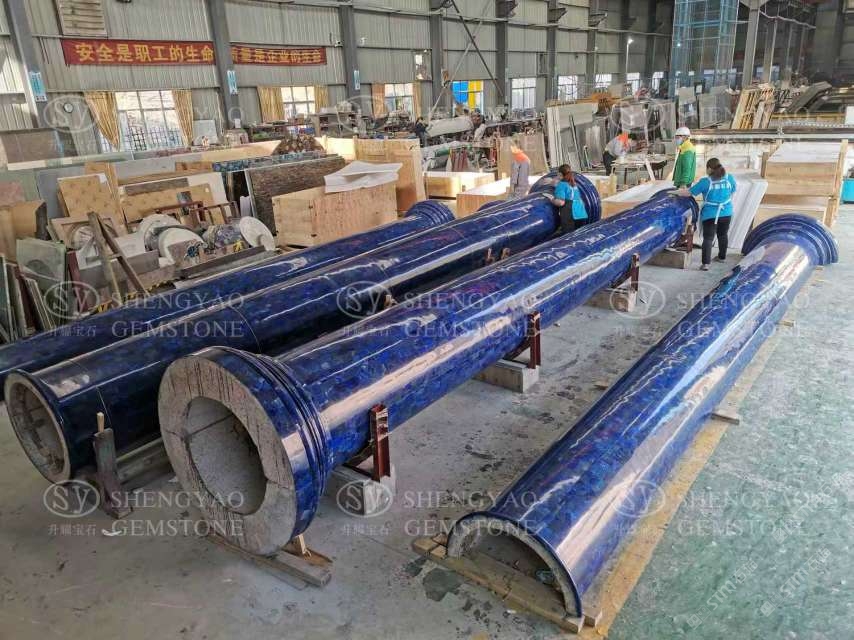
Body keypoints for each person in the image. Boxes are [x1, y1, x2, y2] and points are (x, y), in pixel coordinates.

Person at [678, 157, 736, 271]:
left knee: (708, 238)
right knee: (723, 235)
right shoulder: (729, 178)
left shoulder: (705, 182)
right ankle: (722, 257)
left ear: (709, 169)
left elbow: (689, 192)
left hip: (710, 214)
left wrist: (676, 192)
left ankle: (706, 264)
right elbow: (733, 190)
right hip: (726, 212)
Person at [546, 164, 589, 234]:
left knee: (569, 235)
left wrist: (552, 199)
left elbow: (561, 202)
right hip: (580, 212)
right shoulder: (573, 183)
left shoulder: (561, 185)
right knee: (579, 234)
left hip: (569, 213)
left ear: (560, 174)